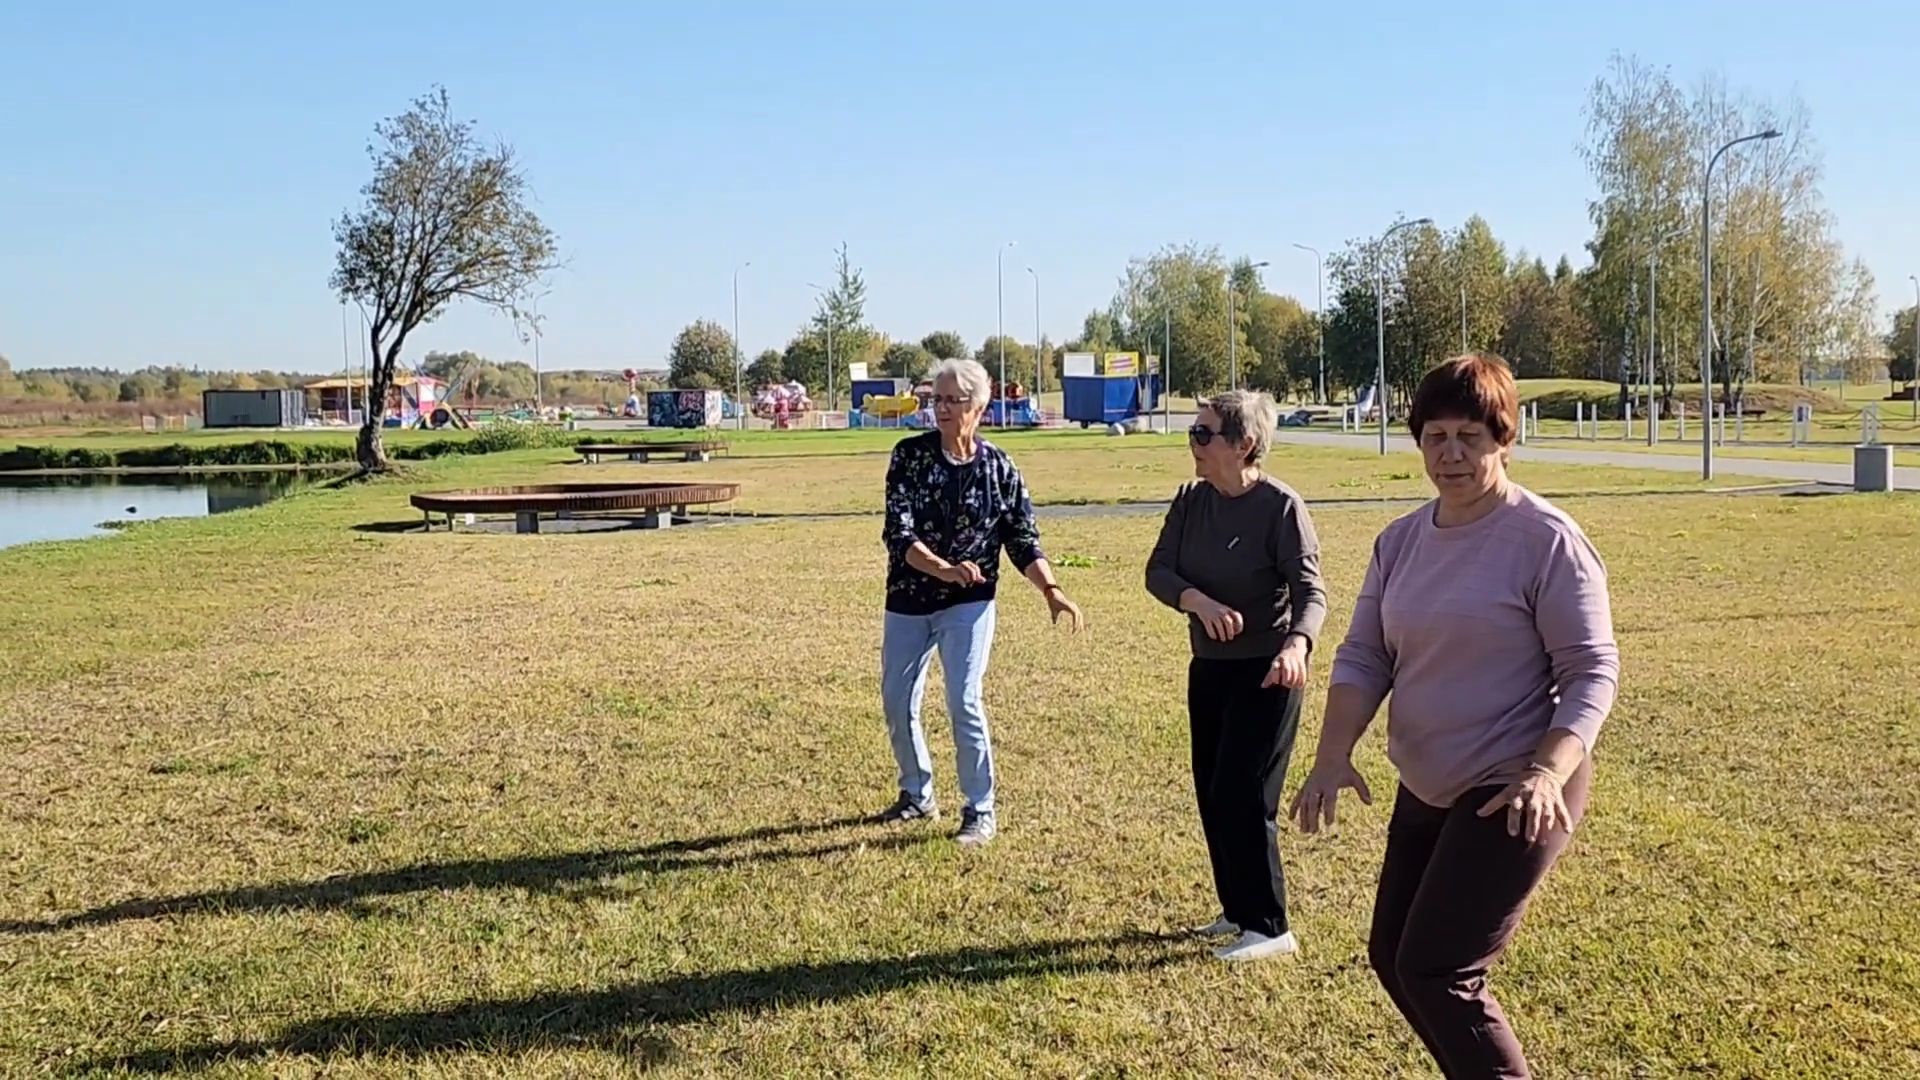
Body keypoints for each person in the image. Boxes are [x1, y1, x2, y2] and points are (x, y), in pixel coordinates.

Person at [1290, 353, 1619, 1077]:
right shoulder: (1401, 540)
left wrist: (1545, 773)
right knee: (1395, 956)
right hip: (1429, 779)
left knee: (1439, 969)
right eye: (1435, 436)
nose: (1452, 454)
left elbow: (1593, 671)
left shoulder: (1546, 540)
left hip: (1516, 787)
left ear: (1507, 436)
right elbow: (1365, 656)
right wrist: (1331, 753)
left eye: (1471, 435)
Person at [1146, 390, 1327, 962]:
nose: (1193, 444)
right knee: (1212, 790)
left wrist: (1297, 645)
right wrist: (1195, 601)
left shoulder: (1280, 507)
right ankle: (1238, 911)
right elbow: (1158, 571)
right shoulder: (1190, 500)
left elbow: (1311, 593)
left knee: (1244, 793)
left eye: (1204, 434)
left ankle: (1271, 927)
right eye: (1192, 433)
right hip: (1210, 668)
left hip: (1269, 671)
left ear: (1244, 444)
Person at [877, 357, 1084, 847]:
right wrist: (943, 568)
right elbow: (897, 532)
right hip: (909, 597)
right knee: (896, 700)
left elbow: (1022, 538)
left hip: (970, 604)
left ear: (980, 407)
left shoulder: (999, 467)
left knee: (962, 700)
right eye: (936, 400)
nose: (941, 410)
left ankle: (979, 808)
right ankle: (917, 793)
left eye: (953, 401)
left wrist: (1052, 591)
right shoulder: (909, 456)